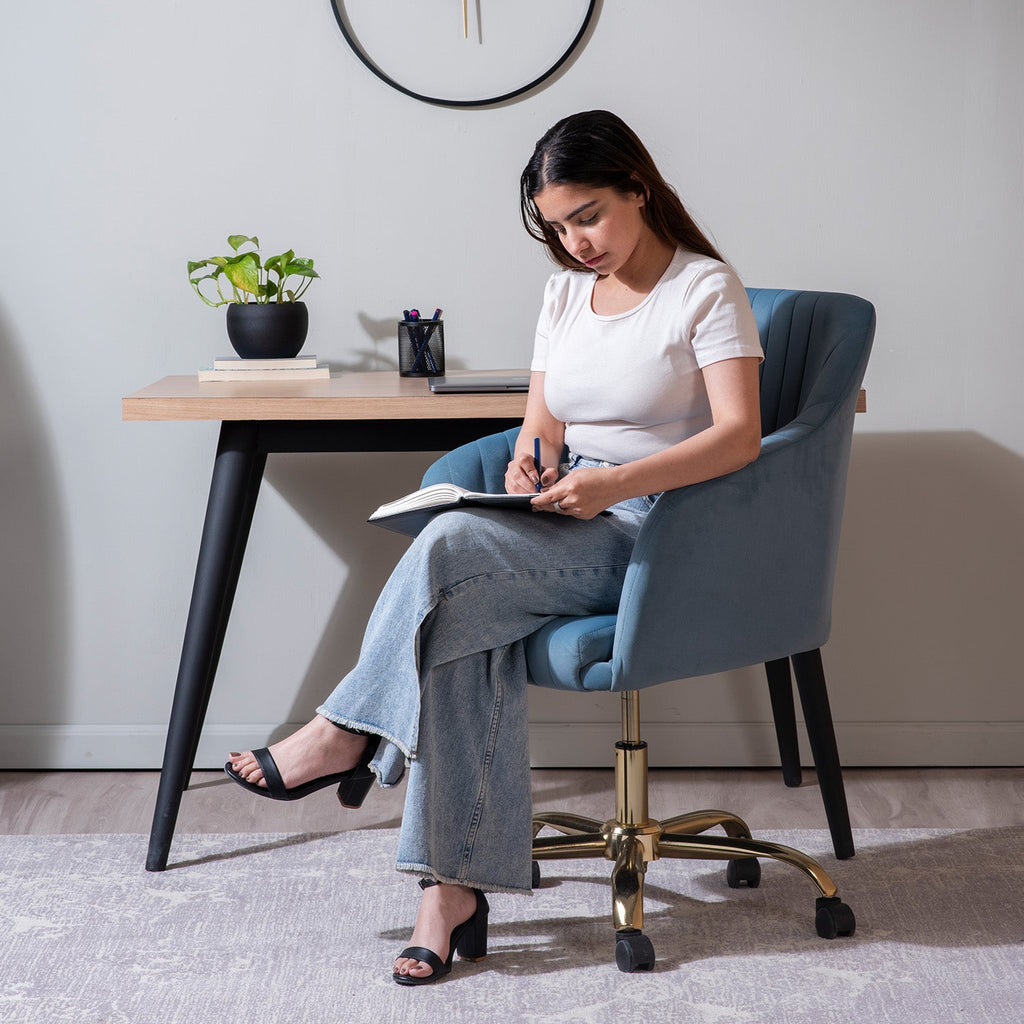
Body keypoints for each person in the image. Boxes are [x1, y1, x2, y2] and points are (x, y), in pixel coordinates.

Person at [226, 110, 764, 985]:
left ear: (639, 185)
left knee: (447, 557)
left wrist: (612, 487)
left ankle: (345, 734)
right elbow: (542, 422)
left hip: (655, 537)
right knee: (462, 613)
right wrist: (530, 462)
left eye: (587, 214)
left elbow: (741, 438)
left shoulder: (706, 288)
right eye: (557, 225)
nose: (574, 241)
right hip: (564, 514)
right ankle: (451, 893)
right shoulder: (564, 293)